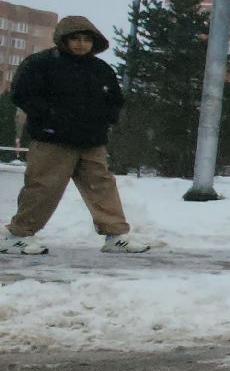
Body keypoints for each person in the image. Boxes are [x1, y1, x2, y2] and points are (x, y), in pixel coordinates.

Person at [3, 16, 152, 255]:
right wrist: (49, 117)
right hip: (52, 139)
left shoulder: (100, 69)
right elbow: (22, 94)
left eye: (86, 39)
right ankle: (18, 235)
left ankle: (115, 235)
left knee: (102, 186)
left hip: (92, 140)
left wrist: (107, 119)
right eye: (75, 39)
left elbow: (114, 99)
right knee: (43, 187)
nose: (81, 44)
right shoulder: (40, 64)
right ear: (63, 40)